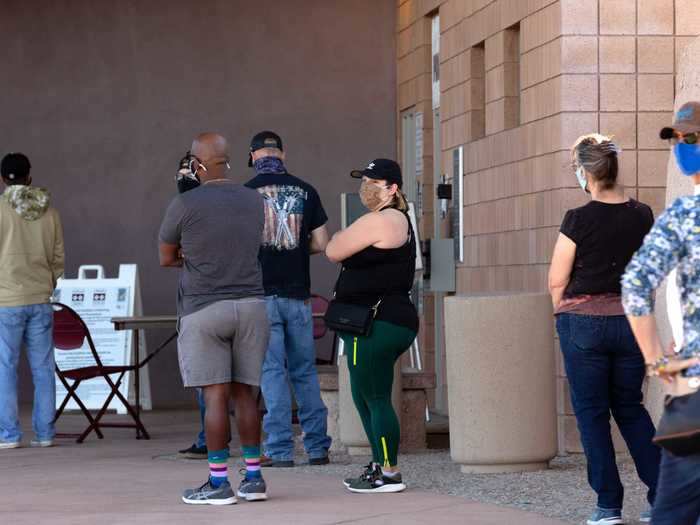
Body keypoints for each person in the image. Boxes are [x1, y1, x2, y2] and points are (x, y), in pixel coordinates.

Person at [548, 134, 660, 525]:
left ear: (584, 173)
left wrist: (561, 317)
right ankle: (664, 497)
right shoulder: (642, 214)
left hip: (583, 323)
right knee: (631, 408)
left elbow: (557, 280)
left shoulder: (577, 219)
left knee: (592, 413)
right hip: (630, 321)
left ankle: (608, 506)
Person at [159, 133, 269, 505]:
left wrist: (195, 261)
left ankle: (219, 482)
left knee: (216, 396)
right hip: (252, 305)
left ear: (197, 164)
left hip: (204, 309)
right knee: (247, 395)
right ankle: (254, 478)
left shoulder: (184, 203)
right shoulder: (255, 199)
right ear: (227, 161)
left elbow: (166, 256)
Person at [622, 102, 700, 525]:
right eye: (679, 140)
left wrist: (656, 360)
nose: (684, 148)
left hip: (695, 394)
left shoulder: (687, 215)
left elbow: (635, 284)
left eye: (693, 138)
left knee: (673, 513)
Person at [325, 158, 417, 493]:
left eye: (373, 182)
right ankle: (379, 464)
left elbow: (333, 249)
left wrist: (343, 237)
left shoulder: (384, 219)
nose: (366, 186)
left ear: (392, 188)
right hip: (383, 321)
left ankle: (389, 472)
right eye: (364, 180)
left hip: (377, 322)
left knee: (375, 396)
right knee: (363, 394)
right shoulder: (394, 220)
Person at [245, 131, 332, 467]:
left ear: (253, 157)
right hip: (298, 296)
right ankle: (317, 448)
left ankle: (280, 450)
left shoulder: (246, 194)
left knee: (272, 372)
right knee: (304, 372)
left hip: (261, 295)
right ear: (283, 154)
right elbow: (323, 242)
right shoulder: (307, 190)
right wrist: (297, 250)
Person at [0, 152, 64, 449]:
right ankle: (45, 433)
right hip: (40, 299)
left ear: (2, 179)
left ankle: (9, 435)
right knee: (43, 368)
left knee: (5, 368)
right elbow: (58, 258)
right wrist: (48, 284)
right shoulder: (49, 212)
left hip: (6, 300)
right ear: (30, 176)